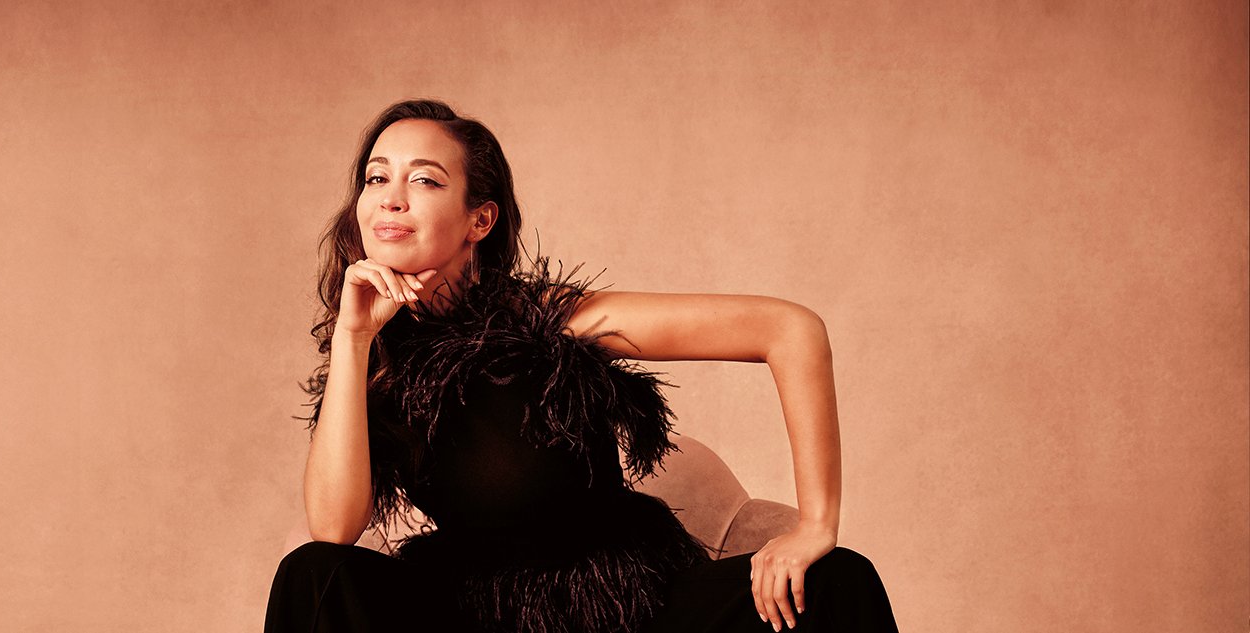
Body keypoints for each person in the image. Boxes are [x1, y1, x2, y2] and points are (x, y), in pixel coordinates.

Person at [264, 99, 900, 633]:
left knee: (837, 582)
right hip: (466, 615)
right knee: (313, 575)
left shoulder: (547, 319)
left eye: (425, 181)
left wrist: (816, 525)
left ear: (479, 219)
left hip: (621, 609)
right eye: (376, 179)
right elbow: (333, 528)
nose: (391, 200)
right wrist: (353, 339)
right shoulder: (373, 354)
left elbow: (790, 330)